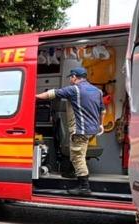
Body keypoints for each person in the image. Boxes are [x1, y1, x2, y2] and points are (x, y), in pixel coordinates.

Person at [36, 67, 105, 196]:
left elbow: (51, 93)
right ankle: (74, 173)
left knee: (77, 157)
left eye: (71, 77)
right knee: (80, 154)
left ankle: (84, 187)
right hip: (92, 131)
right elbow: (103, 111)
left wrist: (34, 97)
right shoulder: (97, 91)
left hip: (80, 131)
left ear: (74, 77)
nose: (70, 80)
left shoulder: (74, 90)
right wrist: (101, 125)